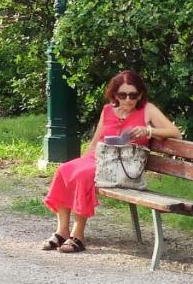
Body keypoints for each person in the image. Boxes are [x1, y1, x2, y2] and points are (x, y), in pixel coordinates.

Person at [42, 70, 181, 253]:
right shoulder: (108, 110)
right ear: (115, 94)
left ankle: (78, 234)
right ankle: (62, 230)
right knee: (65, 170)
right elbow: (95, 142)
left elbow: (175, 133)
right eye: (123, 95)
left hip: (123, 164)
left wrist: (148, 131)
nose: (128, 99)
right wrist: (83, 160)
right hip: (100, 158)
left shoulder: (148, 110)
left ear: (140, 94)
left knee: (84, 175)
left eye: (133, 95)